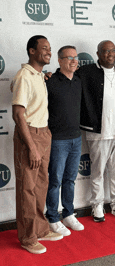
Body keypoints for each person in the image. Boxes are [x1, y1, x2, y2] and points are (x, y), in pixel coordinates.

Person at [12, 35, 63, 255]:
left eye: (50, 48)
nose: (48, 52)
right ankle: (28, 237)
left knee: (41, 185)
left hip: (44, 133)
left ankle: (41, 229)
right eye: (44, 48)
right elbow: (17, 114)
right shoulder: (25, 75)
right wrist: (31, 146)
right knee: (27, 189)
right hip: (30, 135)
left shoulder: (39, 76)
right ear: (31, 51)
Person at [79, 40, 115, 222]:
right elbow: (68, 78)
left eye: (113, 50)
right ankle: (97, 205)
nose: (110, 54)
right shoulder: (86, 72)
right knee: (98, 172)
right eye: (106, 51)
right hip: (98, 132)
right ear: (98, 53)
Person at [45, 46, 84, 236]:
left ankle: (68, 213)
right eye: (69, 57)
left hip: (76, 139)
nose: (74, 60)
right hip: (57, 140)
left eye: (76, 57)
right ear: (59, 60)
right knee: (55, 181)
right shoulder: (50, 82)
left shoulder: (78, 81)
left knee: (70, 179)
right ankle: (52, 217)